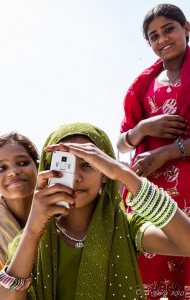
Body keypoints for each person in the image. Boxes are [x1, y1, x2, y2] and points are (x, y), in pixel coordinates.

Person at [0, 122, 190, 300]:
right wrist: (32, 232)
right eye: (65, 165)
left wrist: (126, 176)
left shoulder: (127, 228)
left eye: (87, 164)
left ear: (105, 173)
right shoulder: (27, 241)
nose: (76, 177)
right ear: (47, 171)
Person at [117, 3, 190, 299]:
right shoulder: (142, 86)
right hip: (150, 195)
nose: (162, 40)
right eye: (154, 36)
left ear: (186, 28)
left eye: (169, 29)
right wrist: (145, 127)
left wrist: (169, 152)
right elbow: (121, 142)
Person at [0, 132, 39, 298]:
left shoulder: (62, 219)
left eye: (23, 162)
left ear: (38, 167)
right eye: (2, 168)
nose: (14, 172)